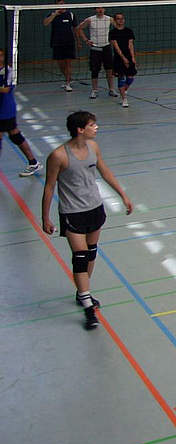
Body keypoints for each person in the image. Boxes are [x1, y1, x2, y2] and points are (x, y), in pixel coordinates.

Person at [40, 111, 133, 330]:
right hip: (72, 212)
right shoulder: (59, 156)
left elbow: (105, 171)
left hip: (95, 208)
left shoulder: (94, 148)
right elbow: (49, 186)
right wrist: (45, 217)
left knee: (91, 252)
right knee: (80, 257)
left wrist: (123, 194)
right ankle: (88, 306)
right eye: (92, 125)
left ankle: (83, 293)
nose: (96, 128)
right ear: (80, 129)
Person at [0, 49, 42, 176]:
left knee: (13, 135)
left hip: (5, 109)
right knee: (14, 134)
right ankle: (33, 162)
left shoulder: (8, 71)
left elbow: (6, 89)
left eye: (1, 55)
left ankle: (33, 162)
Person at [75, 7, 117, 100]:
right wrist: (86, 40)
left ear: (105, 9)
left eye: (101, 8)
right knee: (95, 69)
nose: (100, 10)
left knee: (109, 69)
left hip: (106, 47)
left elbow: (118, 28)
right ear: (95, 9)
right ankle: (94, 90)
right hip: (95, 47)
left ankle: (111, 89)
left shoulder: (109, 19)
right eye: (98, 8)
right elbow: (78, 28)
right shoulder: (90, 20)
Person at [43, 0, 76, 91]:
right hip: (57, 43)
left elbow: (75, 28)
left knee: (68, 63)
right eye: (58, 5)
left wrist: (78, 41)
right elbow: (45, 23)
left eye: (62, 4)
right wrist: (54, 15)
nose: (61, 6)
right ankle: (67, 79)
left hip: (69, 42)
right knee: (61, 64)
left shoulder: (70, 14)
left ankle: (68, 83)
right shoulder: (52, 14)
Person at [108, 12, 136, 109]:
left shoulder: (129, 31)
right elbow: (116, 47)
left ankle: (124, 90)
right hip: (118, 58)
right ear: (115, 21)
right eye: (118, 19)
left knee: (131, 77)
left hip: (128, 56)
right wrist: (123, 58)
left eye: (122, 18)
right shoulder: (112, 32)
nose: (121, 20)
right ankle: (124, 99)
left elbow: (130, 44)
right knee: (121, 78)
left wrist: (132, 57)